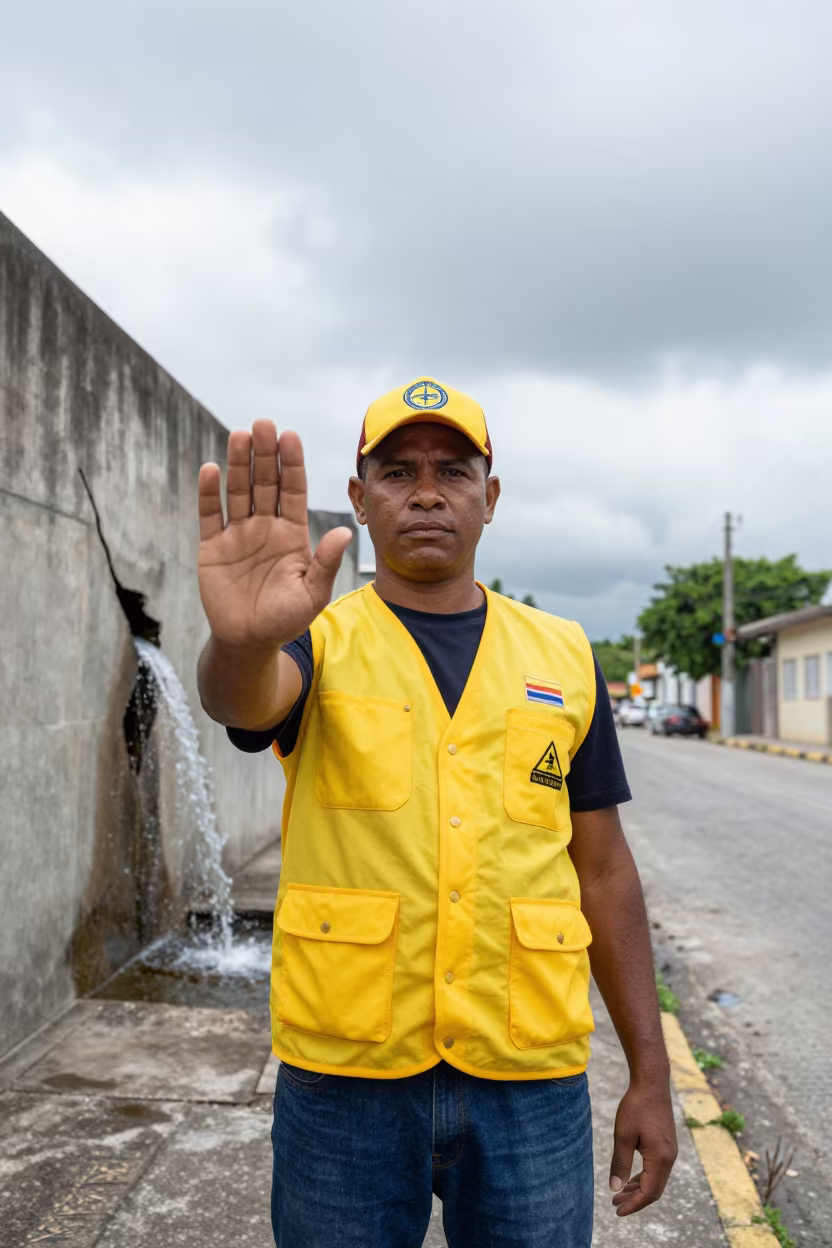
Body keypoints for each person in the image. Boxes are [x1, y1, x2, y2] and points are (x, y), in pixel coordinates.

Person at [196, 377, 677, 1248]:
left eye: (453, 471)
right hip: (344, 1078)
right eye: (396, 472)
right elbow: (246, 700)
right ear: (358, 498)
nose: (425, 492)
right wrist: (242, 640)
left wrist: (652, 1074)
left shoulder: (564, 654)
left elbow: (602, 868)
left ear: (489, 499)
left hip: (528, 1078)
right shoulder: (317, 639)